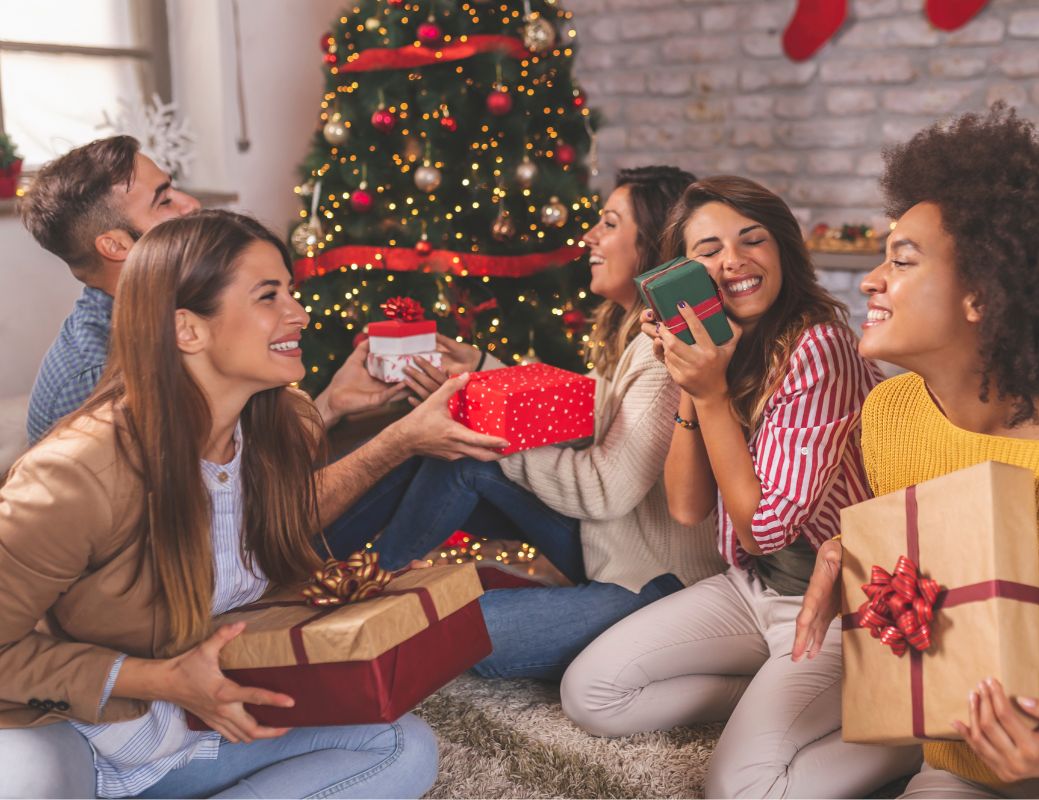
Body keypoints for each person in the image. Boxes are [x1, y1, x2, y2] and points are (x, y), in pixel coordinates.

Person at [791, 107, 1039, 799]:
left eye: (902, 258)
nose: (869, 280)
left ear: (981, 294)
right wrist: (852, 556)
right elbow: (922, 558)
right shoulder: (889, 413)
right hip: (926, 713)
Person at [0, 210, 452, 799]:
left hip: (191, 731)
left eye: (292, 290)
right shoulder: (76, 473)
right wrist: (158, 679)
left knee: (402, 747)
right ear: (187, 330)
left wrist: (367, 593)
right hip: (82, 734)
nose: (300, 312)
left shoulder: (278, 423)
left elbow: (260, 537)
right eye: (270, 295)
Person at [561, 176, 920, 798]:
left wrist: (711, 392)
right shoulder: (712, 350)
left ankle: (911, 738)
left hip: (838, 607)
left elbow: (766, 525)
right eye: (707, 251)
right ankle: (778, 697)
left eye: (752, 240)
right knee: (591, 694)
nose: (732, 261)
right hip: (754, 589)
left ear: (782, 250)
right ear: (684, 271)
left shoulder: (822, 347)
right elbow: (687, 506)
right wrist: (690, 385)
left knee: (743, 790)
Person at [330, 166, 727, 681]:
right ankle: (341, 577)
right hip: (609, 542)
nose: (590, 236)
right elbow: (585, 412)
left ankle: (347, 581)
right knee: (454, 457)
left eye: (608, 223)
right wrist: (478, 370)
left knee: (452, 632)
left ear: (649, 245)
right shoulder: (629, 334)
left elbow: (606, 489)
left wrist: (478, 418)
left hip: (654, 580)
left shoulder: (665, 352)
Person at [20, 135, 402, 444]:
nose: (192, 205)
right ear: (116, 246)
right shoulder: (95, 381)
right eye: (165, 201)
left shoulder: (177, 306)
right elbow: (211, 519)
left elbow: (237, 476)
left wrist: (330, 405)